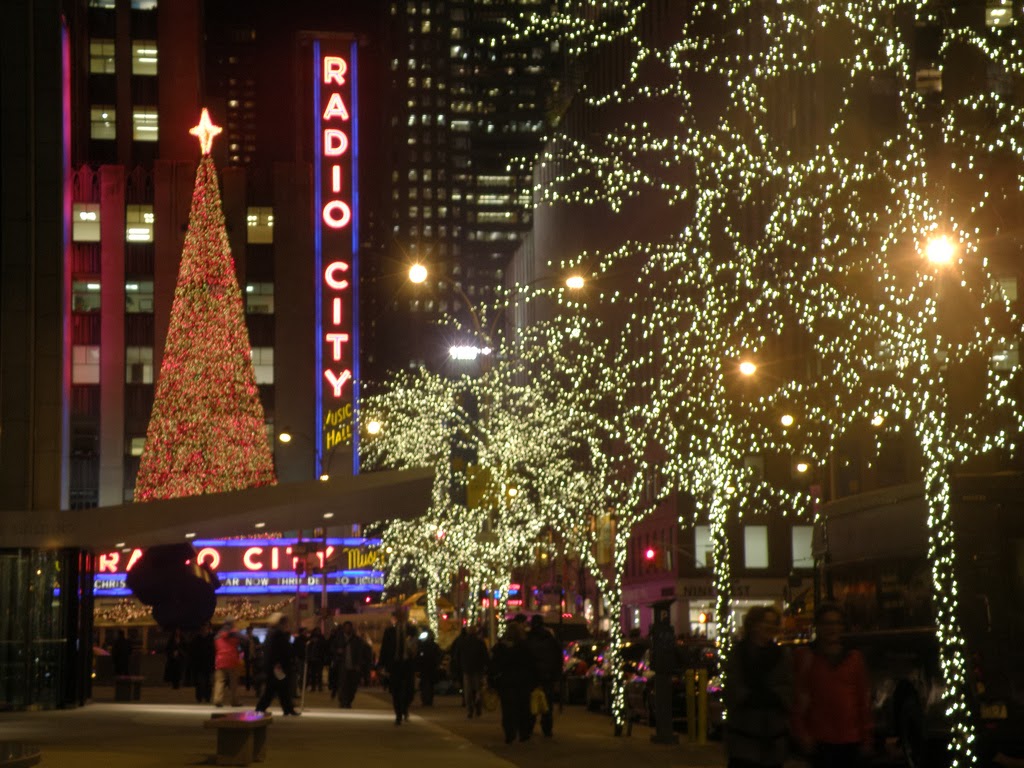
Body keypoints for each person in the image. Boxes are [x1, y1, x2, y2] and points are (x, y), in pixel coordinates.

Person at [792, 604, 872, 768]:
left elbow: (862, 699)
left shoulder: (854, 658)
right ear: (818, 626)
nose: (832, 628)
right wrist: (802, 734)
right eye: (827, 623)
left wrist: (866, 736)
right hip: (820, 740)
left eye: (837, 623)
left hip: (850, 739)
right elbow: (798, 699)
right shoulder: (805, 657)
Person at [724, 606, 793, 768]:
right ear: (753, 625)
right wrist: (750, 697)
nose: (769, 627)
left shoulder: (782, 654)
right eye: (765, 622)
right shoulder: (739, 653)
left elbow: (788, 687)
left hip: (772, 735)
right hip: (744, 735)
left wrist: (775, 697)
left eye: (773, 623)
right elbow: (733, 687)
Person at [489, 619, 535, 743]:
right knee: (523, 707)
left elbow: (493, 665)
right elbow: (532, 664)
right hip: (522, 681)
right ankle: (523, 732)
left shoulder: (500, 647)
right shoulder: (525, 647)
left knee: (508, 709)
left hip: (506, 682)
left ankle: (510, 732)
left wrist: (493, 680)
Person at [255, 613, 300, 716]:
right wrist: (278, 663)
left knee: (280, 689)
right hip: (277, 666)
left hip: (274, 666)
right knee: (275, 689)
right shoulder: (277, 635)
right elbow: (280, 650)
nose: (287, 625)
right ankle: (262, 708)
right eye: (285, 623)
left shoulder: (272, 634)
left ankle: (287, 708)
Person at [378, 608, 418, 725]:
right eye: (399, 615)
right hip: (395, 664)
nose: (401, 618)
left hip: (408, 663)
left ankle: (405, 707)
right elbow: (384, 648)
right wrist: (382, 665)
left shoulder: (412, 630)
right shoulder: (389, 631)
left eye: (403, 615)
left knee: (410, 690)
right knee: (396, 690)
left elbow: (416, 646)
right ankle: (398, 714)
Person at [525, 615, 562, 737]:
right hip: (547, 676)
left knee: (531, 703)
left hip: (531, 677)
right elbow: (558, 658)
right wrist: (556, 675)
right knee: (547, 704)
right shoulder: (550, 639)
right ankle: (547, 728)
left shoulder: (528, 638)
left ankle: (529, 727)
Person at [332, 620, 371, 708]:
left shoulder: (356, 640)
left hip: (354, 666)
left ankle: (349, 700)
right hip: (342, 665)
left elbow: (361, 652)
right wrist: (337, 651)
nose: (347, 629)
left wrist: (359, 664)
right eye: (346, 627)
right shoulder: (338, 639)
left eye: (349, 627)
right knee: (343, 684)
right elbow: (332, 649)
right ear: (343, 628)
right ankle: (343, 701)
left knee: (353, 685)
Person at [457, 624, 490, 719]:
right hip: (478, 669)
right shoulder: (480, 643)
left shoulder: (463, 642)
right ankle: (478, 705)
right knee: (478, 688)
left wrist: (460, 666)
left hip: (466, 669)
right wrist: (486, 667)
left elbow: (457, 656)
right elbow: (485, 656)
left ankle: (469, 709)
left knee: (468, 690)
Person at [213, 619, 243, 707]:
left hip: (220, 660)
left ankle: (217, 700)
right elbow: (244, 640)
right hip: (232, 660)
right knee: (233, 682)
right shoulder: (235, 633)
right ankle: (234, 701)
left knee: (219, 681)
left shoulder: (218, 635)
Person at [189, 623, 215, 704]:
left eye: (206, 628)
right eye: (203, 628)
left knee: (208, 682)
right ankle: (199, 697)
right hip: (199, 664)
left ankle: (207, 697)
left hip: (209, 664)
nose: (204, 630)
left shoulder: (211, 639)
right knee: (200, 682)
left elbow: (213, 651)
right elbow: (192, 652)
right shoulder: (196, 639)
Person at [416, 628, 441, 706]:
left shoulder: (424, 646)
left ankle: (426, 700)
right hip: (429, 667)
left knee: (426, 684)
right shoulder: (433, 646)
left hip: (427, 667)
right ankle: (428, 700)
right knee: (428, 684)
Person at [306, 627, 327, 692]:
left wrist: (318, 642)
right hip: (312, 658)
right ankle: (313, 687)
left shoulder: (322, 638)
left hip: (319, 658)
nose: (317, 632)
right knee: (313, 673)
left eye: (318, 631)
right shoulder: (311, 638)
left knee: (319, 673)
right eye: (316, 631)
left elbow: (324, 647)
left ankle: (319, 687)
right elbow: (308, 646)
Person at [242, 626, 260, 691]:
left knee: (255, 671)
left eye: (251, 630)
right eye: (249, 630)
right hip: (247, 656)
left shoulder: (255, 638)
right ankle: (248, 686)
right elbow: (242, 647)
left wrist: (257, 647)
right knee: (247, 672)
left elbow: (259, 646)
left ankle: (255, 685)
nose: (250, 631)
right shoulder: (245, 638)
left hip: (254, 656)